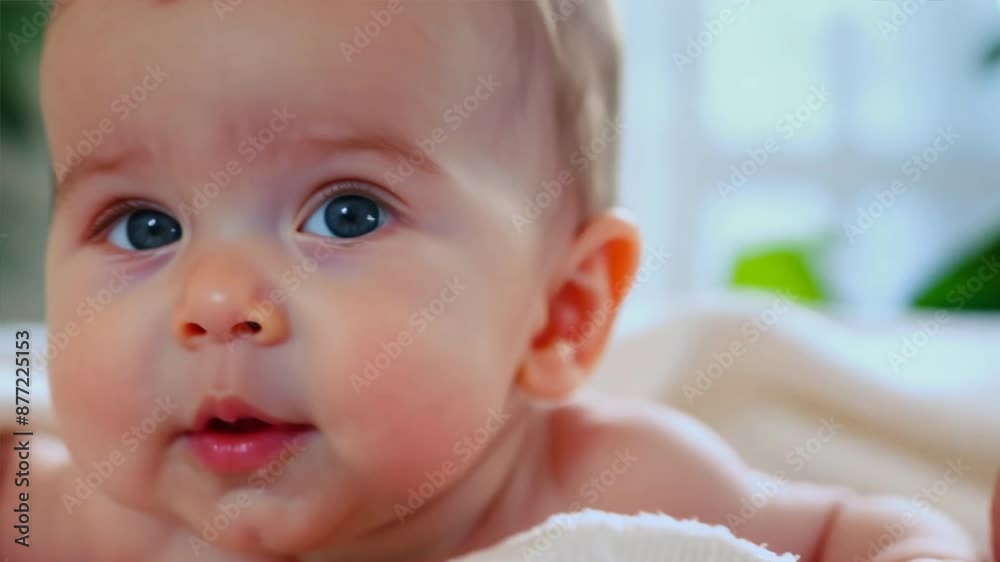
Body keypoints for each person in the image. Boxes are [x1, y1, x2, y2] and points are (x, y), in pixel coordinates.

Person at [1, 0, 992, 560]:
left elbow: (855, 532)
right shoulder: (116, 520)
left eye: (346, 213)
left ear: (561, 311)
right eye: (144, 225)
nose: (213, 300)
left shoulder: (610, 488)